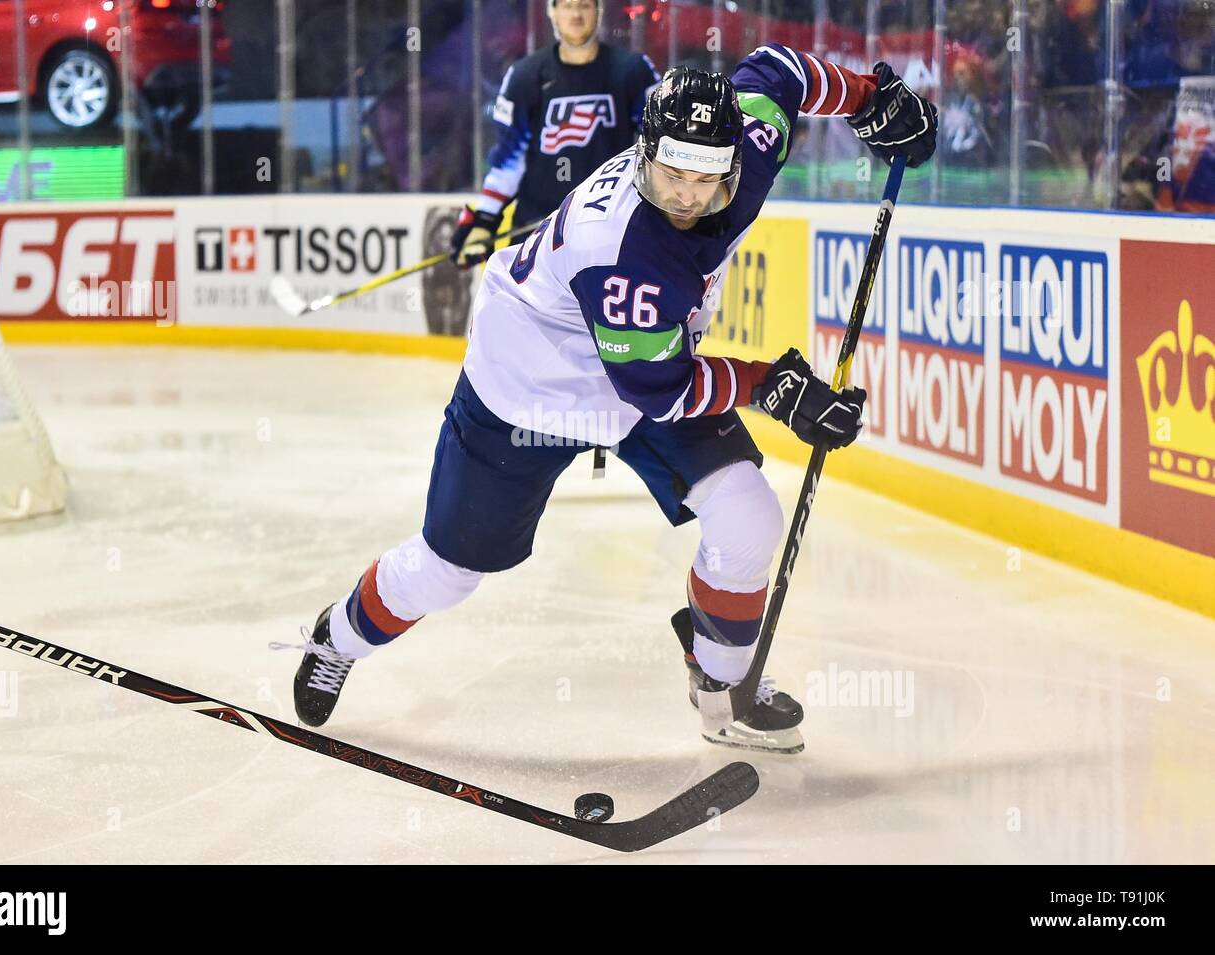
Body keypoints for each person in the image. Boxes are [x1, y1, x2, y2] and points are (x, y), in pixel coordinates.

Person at [283, 46, 937, 754]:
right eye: (671, 174)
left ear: (737, 160)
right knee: (448, 572)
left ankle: (721, 688)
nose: (687, 194)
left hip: (645, 367)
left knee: (747, 515)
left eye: (706, 178)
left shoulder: (751, 136)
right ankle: (339, 635)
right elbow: (665, 392)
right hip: (530, 389)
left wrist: (871, 96)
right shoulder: (628, 254)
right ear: (644, 151)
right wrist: (770, 388)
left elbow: (779, 69)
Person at [449, 0, 660, 268]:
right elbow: (509, 160)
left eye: (584, 6)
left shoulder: (633, 70)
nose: (575, 15)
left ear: (599, 11)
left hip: (607, 230)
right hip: (536, 230)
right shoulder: (525, 75)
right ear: (553, 12)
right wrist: (485, 220)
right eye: (568, 6)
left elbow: (656, 148)